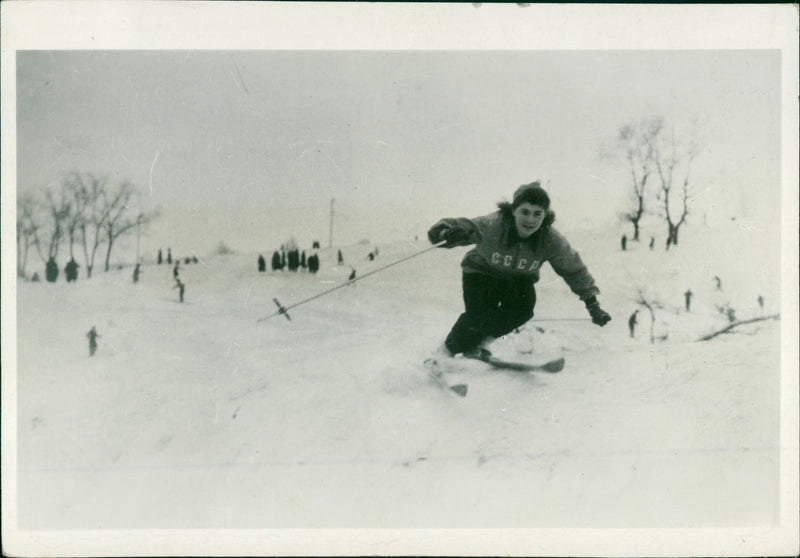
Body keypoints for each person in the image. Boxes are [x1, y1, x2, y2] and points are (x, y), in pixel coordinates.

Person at [427, 181, 611, 360]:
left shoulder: (551, 240)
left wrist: (593, 305)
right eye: (524, 212)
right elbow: (451, 227)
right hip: (481, 273)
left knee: (523, 310)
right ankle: (443, 353)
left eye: (537, 213)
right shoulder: (493, 224)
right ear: (513, 210)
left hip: (517, 280)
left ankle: (480, 343)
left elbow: (574, 270)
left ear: (545, 215)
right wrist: (446, 234)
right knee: (479, 317)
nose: (530, 220)